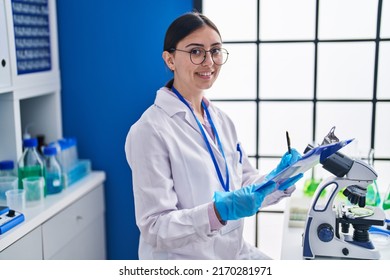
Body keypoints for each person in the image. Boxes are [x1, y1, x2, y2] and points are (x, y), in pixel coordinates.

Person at [125, 12, 303, 260]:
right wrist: (217, 213)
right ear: (170, 60)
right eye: (196, 52)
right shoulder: (149, 130)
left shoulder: (221, 121)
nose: (209, 62)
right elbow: (155, 227)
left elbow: (244, 184)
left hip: (232, 253)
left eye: (215, 51)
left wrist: (279, 179)